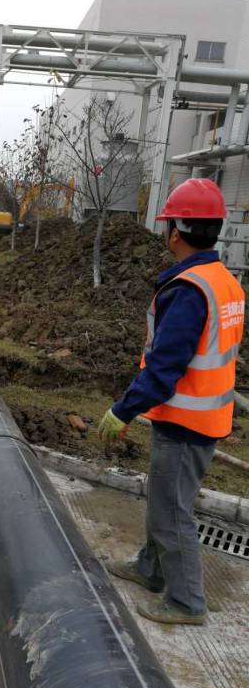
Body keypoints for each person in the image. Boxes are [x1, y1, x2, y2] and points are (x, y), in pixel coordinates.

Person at [98, 178, 244, 626]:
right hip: (207, 416)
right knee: (168, 500)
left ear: (174, 232)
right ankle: (150, 568)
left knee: (170, 512)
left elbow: (164, 368)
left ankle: (186, 601)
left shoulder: (188, 290)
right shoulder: (225, 282)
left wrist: (122, 410)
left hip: (186, 422)